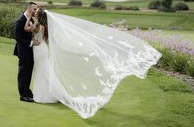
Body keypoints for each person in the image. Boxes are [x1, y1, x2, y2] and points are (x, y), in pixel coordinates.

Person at [29, 9, 162, 119]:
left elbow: (36, 36)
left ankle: (49, 95)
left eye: (35, 13)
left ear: (39, 17)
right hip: (42, 51)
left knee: (43, 72)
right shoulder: (45, 26)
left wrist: (32, 24)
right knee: (44, 72)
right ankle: (48, 94)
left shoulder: (40, 27)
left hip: (40, 50)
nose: (34, 13)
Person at [13, 1, 39, 103]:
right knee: (23, 73)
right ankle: (23, 95)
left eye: (36, 9)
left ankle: (27, 91)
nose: (35, 11)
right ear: (29, 9)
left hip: (31, 51)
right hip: (23, 51)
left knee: (29, 72)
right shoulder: (20, 20)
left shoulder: (31, 19)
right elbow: (17, 37)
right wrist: (31, 43)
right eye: (34, 9)